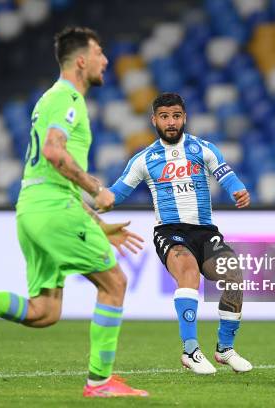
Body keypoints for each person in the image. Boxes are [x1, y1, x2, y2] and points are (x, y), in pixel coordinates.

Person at [0, 27, 148, 398]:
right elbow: (54, 152)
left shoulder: (47, 99)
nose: (106, 60)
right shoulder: (69, 98)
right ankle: (100, 382)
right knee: (114, 284)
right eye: (99, 52)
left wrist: (98, 224)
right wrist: (97, 189)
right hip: (54, 209)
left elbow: (48, 175)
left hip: (32, 209)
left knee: (44, 312)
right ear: (81, 60)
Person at [108, 92, 253, 375]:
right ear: (154, 120)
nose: (171, 122)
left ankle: (225, 350)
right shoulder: (144, 159)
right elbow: (116, 193)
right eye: (164, 117)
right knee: (188, 273)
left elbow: (226, 174)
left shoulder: (203, 149)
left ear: (184, 118)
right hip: (170, 232)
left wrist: (237, 189)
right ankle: (190, 350)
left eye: (176, 116)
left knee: (234, 274)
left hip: (204, 231)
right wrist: (91, 203)